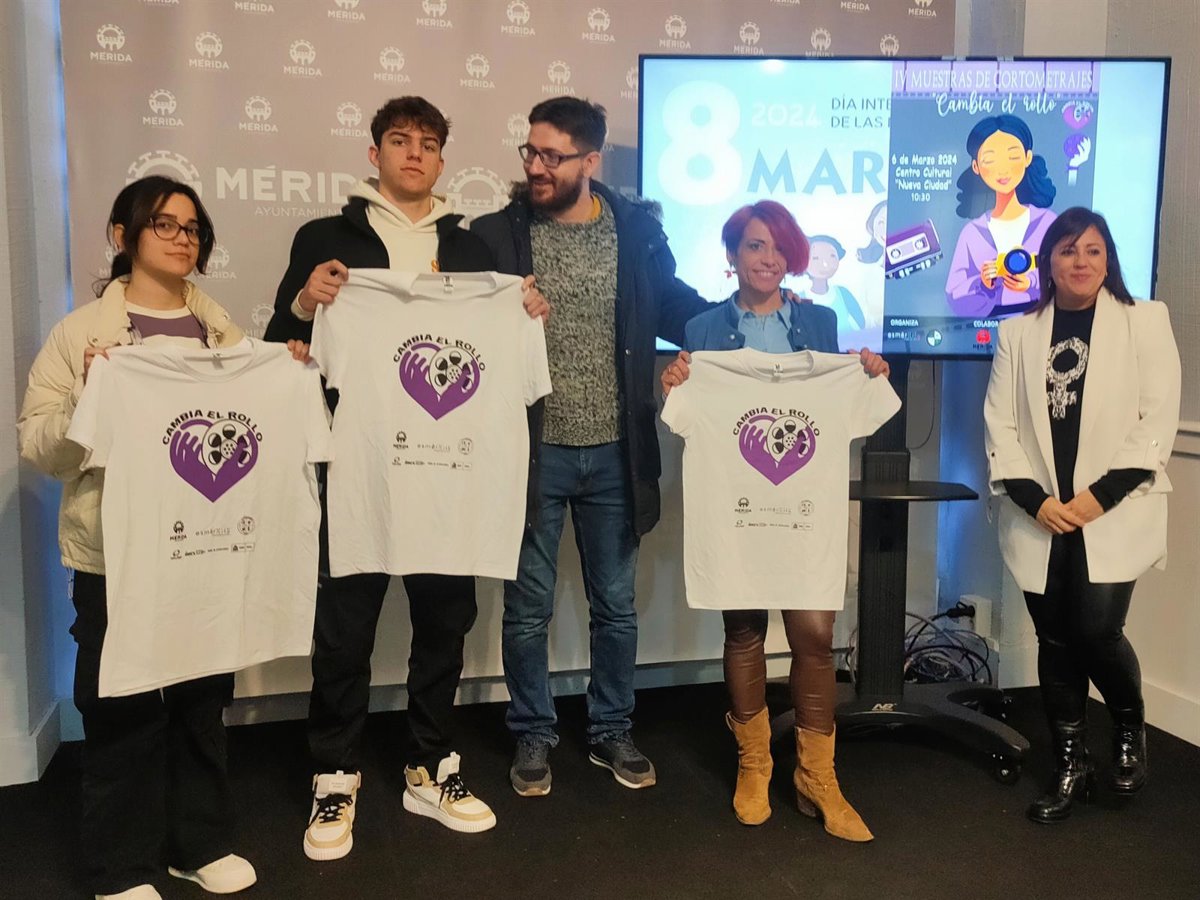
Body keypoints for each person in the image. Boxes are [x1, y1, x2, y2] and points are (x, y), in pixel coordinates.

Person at [263, 96, 547, 857]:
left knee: (445, 622)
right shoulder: (326, 240)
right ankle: (334, 774)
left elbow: (503, 361)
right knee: (345, 627)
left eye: (427, 143)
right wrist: (305, 302)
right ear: (375, 153)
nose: (414, 153)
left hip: (451, 471)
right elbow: (284, 348)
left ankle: (431, 763)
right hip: (357, 463)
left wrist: (524, 314)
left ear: (443, 160)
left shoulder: (474, 250)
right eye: (399, 140)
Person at [17, 176, 284, 899]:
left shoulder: (224, 333)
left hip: (208, 546)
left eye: (192, 228)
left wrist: (286, 372)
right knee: (120, 707)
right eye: (164, 224)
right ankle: (120, 866)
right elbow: (36, 444)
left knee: (203, 701)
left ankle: (198, 843)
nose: (181, 238)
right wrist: (89, 398)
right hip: (117, 555)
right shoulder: (81, 335)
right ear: (122, 235)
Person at [471, 97, 713, 796]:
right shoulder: (495, 236)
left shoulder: (636, 232)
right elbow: (457, 328)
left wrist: (762, 335)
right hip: (531, 451)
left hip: (617, 449)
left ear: (590, 161)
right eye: (530, 152)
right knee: (527, 609)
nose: (536, 167)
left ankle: (611, 729)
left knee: (615, 607)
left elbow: (677, 307)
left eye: (552, 156)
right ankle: (532, 732)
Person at [659, 200, 888, 840]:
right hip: (737, 505)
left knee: (814, 632)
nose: (768, 259)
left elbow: (835, 405)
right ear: (732, 254)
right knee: (743, 629)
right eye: (755, 246)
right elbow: (684, 413)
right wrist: (672, 384)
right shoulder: (702, 327)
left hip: (802, 506)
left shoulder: (819, 321)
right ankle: (754, 763)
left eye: (780, 248)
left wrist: (866, 373)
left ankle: (817, 775)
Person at [983, 207, 1180, 823]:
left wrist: (1099, 497)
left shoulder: (1145, 320)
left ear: (1108, 258)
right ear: (1047, 261)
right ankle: (1071, 763)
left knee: (1097, 631)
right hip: (1040, 514)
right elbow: (1000, 426)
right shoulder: (1018, 332)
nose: (1081, 262)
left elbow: (1157, 418)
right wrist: (1037, 501)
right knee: (1055, 638)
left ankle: (1128, 727)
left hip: (1113, 509)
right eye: (1067, 250)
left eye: (1093, 250)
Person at [946, 114, 1058, 318]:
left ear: (1028, 157)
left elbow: (1070, 280)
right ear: (976, 167)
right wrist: (982, 284)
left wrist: (1032, 283)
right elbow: (954, 295)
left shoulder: (1048, 223)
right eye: (990, 160)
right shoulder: (972, 232)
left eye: (1012, 156)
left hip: (1041, 325)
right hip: (986, 326)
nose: (1002, 169)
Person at [803, 234, 865, 331]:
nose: (825, 264)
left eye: (831, 256)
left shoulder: (842, 293)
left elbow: (861, 324)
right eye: (816, 258)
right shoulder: (800, 298)